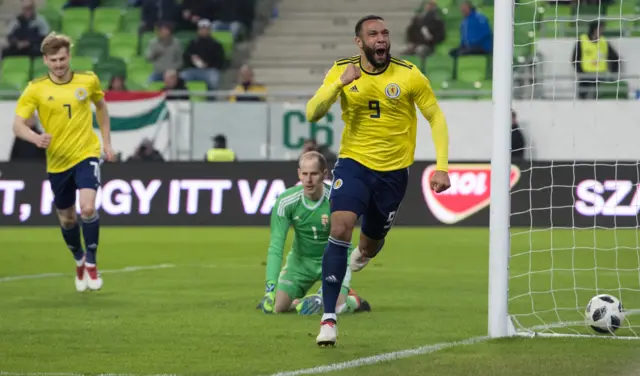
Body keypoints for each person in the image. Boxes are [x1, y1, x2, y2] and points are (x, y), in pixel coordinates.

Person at [306, 15, 451, 346]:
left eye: (385, 33)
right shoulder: (342, 70)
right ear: (360, 42)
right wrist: (338, 84)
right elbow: (312, 112)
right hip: (354, 165)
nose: (381, 38)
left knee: (371, 244)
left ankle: (365, 251)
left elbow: (435, 116)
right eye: (373, 34)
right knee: (340, 225)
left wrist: (442, 165)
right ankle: (329, 318)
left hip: (393, 174)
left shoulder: (408, 74)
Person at [12, 32, 116, 293]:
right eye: (53, 60)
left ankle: (92, 263)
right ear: (45, 60)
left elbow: (101, 108)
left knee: (88, 208)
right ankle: (79, 258)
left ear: (69, 56)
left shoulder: (88, 80)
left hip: (86, 153)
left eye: (62, 58)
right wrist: (36, 138)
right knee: (68, 220)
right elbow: (17, 125)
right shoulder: (35, 88)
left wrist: (106, 143)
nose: (59, 64)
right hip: (57, 162)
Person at [257, 151, 371, 316]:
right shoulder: (285, 201)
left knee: (335, 307)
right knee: (278, 307)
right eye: (305, 174)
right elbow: (276, 245)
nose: (308, 180)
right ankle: (302, 301)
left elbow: (344, 234)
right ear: (299, 174)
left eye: (314, 174)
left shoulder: (336, 198)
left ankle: (353, 300)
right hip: (301, 263)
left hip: (335, 259)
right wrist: (270, 288)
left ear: (324, 174)